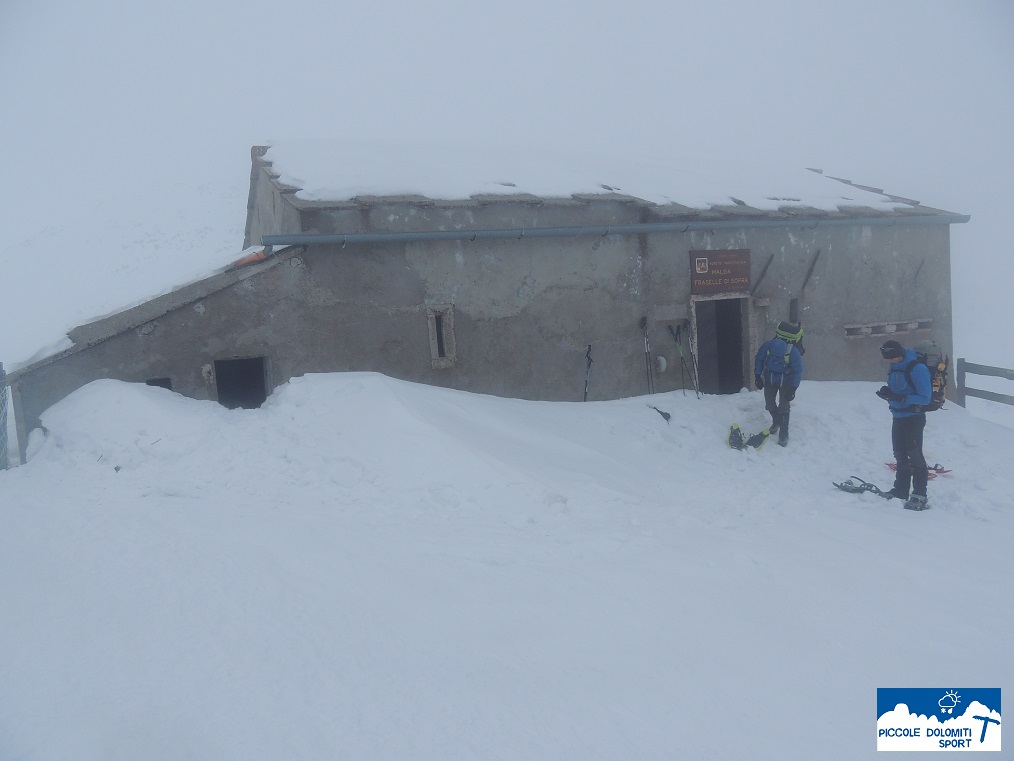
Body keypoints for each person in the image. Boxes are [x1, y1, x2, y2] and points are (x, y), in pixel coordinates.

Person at [876, 339, 932, 509]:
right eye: (887, 359)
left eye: (892, 358)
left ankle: (919, 494)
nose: (889, 362)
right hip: (898, 416)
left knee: (915, 456)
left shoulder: (917, 368)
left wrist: (902, 398)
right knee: (899, 454)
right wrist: (889, 393)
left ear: (899, 354)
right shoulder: (894, 367)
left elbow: (925, 397)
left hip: (914, 418)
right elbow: (898, 389)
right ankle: (900, 489)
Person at [753, 321, 804, 446]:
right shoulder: (768, 346)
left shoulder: (793, 353)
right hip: (770, 378)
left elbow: (798, 371)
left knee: (784, 407)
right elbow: (759, 358)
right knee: (770, 404)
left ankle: (784, 434)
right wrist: (757, 376)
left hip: (786, 381)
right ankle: (776, 422)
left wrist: (793, 389)